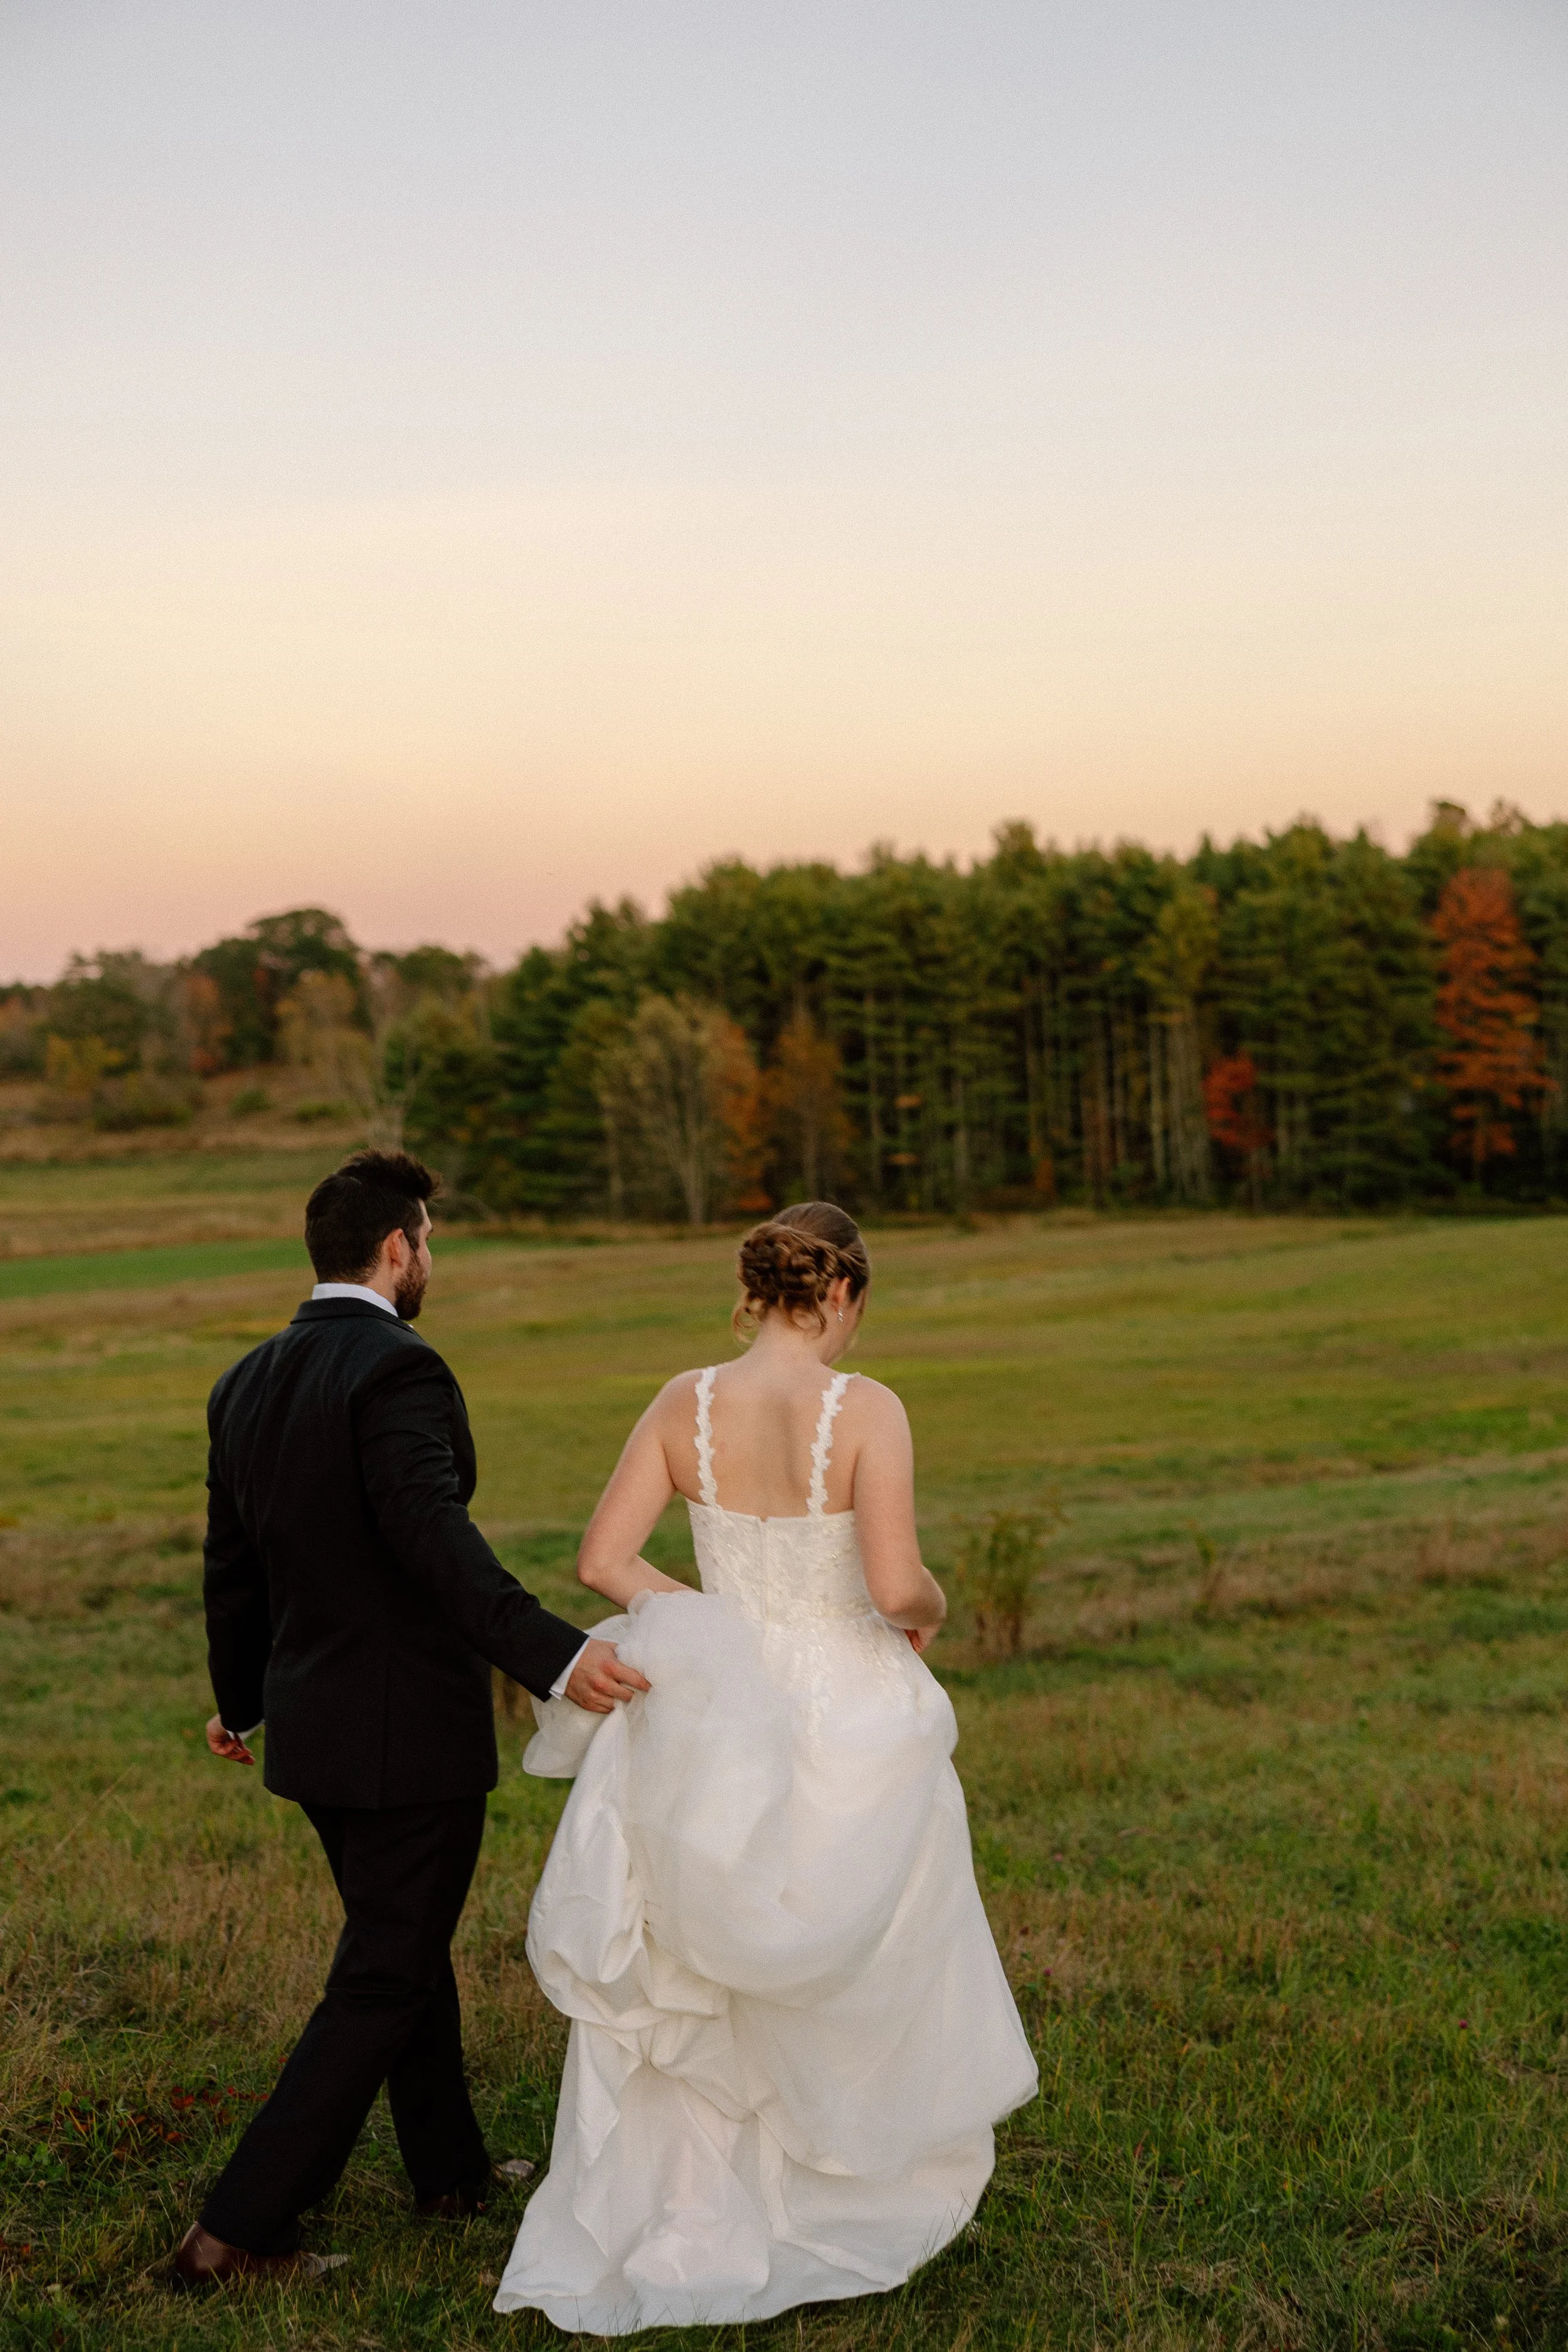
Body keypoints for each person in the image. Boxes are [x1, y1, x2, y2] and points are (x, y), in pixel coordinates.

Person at [495, 1201, 1038, 2331]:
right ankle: (844, 2173)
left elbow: (604, 1559)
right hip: (846, 1700)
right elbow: (895, 1590)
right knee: (854, 1938)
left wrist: (714, 1627)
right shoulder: (868, 1409)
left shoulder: (680, 1401)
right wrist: (935, 1604)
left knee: (700, 1949)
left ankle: (690, 2199)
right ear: (842, 1296)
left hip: (712, 1708)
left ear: (759, 1290)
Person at [168, 1150, 645, 2289]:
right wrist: (557, 1655)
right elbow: (434, 1539)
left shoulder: (247, 1379)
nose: (431, 1258)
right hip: (404, 1738)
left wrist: (240, 1697)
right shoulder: (400, 1371)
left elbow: (231, 1568)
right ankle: (236, 2230)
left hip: (314, 1733)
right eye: (429, 1240)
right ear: (399, 1249)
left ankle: (452, 2175)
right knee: (385, 1969)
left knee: (405, 1942)